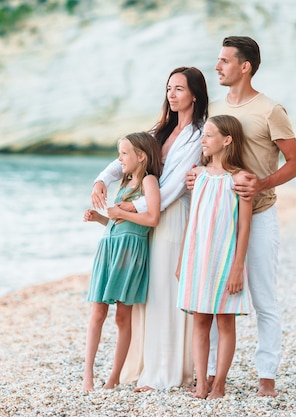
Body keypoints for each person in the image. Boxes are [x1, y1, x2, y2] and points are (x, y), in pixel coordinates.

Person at [187, 36, 296, 397]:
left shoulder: (270, 110)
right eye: (218, 60)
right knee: (209, 295)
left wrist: (261, 185)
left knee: (263, 298)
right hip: (217, 221)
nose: (218, 67)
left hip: (261, 213)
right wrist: (196, 172)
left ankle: (266, 376)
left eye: (224, 61)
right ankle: (205, 377)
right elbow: (211, 154)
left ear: (245, 67)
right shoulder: (218, 108)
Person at [91, 66, 209, 391]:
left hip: (171, 217)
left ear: (195, 95)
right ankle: (144, 365)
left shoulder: (198, 135)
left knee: (163, 294)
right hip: (148, 219)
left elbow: (171, 187)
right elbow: (127, 157)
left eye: (180, 89)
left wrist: (131, 207)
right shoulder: (160, 129)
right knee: (146, 295)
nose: (171, 94)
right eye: (169, 88)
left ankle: (165, 373)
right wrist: (102, 179)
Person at [175, 115, 252, 399]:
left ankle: (219, 382)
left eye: (208, 136)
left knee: (225, 321)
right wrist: (183, 259)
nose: (203, 140)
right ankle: (202, 382)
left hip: (225, 261)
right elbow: (192, 221)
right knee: (200, 321)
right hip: (199, 259)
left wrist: (237, 269)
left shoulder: (241, 179)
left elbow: (244, 228)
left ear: (227, 140)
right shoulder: (199, 176)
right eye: (203, 135)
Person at [82, 131, 162, 392]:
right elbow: (117, 223)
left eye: (124, 153)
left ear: (141, 156)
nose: (119, 159)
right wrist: (101, 219)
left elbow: (152, 219)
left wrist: (119, 213)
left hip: (129, 255)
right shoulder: (124, 183)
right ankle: (88, 376)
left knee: (122, 318)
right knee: (97, 313)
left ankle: (114, 376)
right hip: (108, 249)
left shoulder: (149, 181)